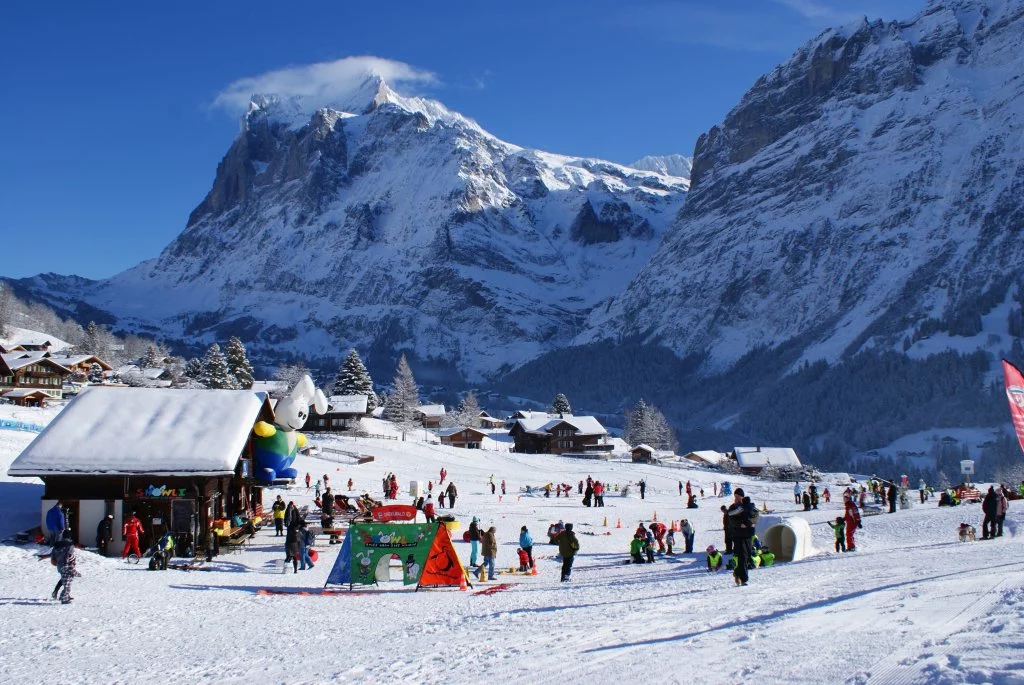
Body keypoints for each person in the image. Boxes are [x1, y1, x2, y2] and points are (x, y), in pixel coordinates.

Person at [727, 488, 756, 586]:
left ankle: (737, 573)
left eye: (738, 496)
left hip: (748, 534)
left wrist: (751, 523)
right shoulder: (733, 507)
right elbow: (730, 519)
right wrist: (740, 524)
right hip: (738, 534)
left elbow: (755, 516)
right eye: (735, 496)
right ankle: (744, 579)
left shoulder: (748, 505)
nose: (736, 498)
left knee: (747, 555)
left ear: (742, 496)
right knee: (742, 556)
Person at [51, 531, 80, 604]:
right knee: (67, 579)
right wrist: (72, 563)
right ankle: (62, 595)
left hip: (59, 565)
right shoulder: (70, 545)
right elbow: (70, 555)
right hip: (67, 565)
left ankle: (61, 593)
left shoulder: (57, 545)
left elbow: (53, 556)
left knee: (64, 578)